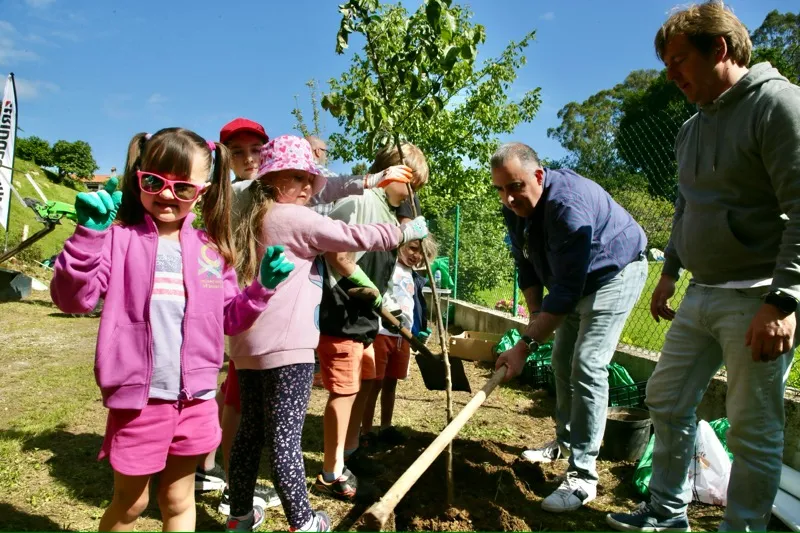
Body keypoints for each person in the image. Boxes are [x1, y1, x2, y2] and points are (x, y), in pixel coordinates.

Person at [607, 3, 800, 531]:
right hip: (703, 290)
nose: (670, 76)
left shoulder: (779, 105)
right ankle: (666, 512)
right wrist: (670, 270)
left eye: (677, 61)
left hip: (760, 296)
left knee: (752, 431)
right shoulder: (690, 129)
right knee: (665, 399)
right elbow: (687, 205)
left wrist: (784, 300)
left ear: (718, 49)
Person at [50, 128, 292, 532]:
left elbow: (230, 319)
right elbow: (73, 300)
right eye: (154, 182)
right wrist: (86, 238)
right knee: (131, 503)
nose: (166, 195)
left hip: (196, 400)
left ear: (204, 189)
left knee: (178, 500)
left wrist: (260, 290)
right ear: (138, 176)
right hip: (139, 401)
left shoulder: (212, 251)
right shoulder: (117, 240)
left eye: (182, 187)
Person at [205, 119, 413, 515]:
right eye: (298, 178)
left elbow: (328, 189)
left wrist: (368, 180)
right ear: (274, 180)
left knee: (250, 434)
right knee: (284, 441)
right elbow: (352, 236)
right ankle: (302, 519)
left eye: (309, 179)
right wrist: (401, 233)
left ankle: (240, 514)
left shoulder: (253, 211)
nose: (308, 187)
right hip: (289, 349)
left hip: (248, 345)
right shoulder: (295, 218)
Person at [492, 142, 648, 513]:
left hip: (615, 272)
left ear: (539, 176)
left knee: (589, 363)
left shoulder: (567, 207)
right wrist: (533, 315)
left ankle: (583, 477)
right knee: (562, 361)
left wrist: (524, 345)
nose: (509, 197)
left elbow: (565, 292)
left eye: (515, 186)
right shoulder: (515, 209)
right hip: (577, 281)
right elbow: (525, 264)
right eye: (500, 188)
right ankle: (564, 441)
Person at [312, 142, 429, 502]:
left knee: (361, 387)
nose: (414, 194)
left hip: (366, 316)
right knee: (344, 391)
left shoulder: (389, 214)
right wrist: (369, 292)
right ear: (392, 173)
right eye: (412, 184)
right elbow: (338, 254)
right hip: (343, 310)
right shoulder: (362, 203)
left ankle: (350, 454)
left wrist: (383, 303)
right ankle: (330, 472)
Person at [360, 233, 439, 446]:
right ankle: (365, 431)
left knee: (391, 383)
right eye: (413, 248)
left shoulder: (413, 275)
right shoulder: (389, 264)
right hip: (382, 334)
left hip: (402, 337)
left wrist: (418, 329)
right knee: (374, 384)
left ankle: (385, 427)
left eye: (422, 252)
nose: (417, 255)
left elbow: (413, 305)